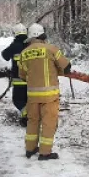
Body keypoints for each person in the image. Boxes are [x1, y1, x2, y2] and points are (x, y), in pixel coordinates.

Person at [19, 23, 71, 160]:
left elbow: (22, 75)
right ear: (42, 35)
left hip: (32, 96)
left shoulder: (24, 53)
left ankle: (30, 149)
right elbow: (66, 67)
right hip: (50, 96)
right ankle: (45, 152)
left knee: (33, 121)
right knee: (48, 122)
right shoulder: (51, 49)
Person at [1, 23, 28, 125]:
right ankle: (30, 116)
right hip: (32, 81)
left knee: (18, 100)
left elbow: (4, 55)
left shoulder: (14, 45)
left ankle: (26, 115)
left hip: (19, 80)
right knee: (29, 100)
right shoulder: (31, 45)